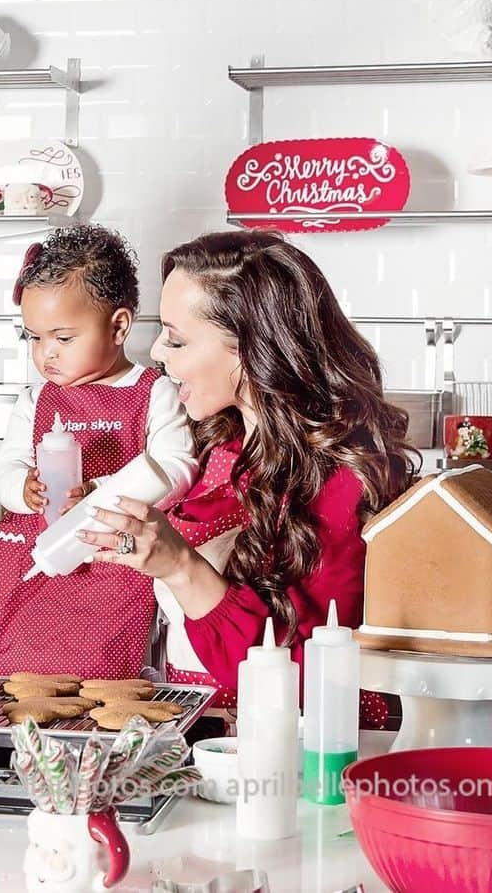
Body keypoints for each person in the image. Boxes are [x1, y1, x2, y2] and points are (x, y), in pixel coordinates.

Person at [77, 230, 417, 715]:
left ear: (251, 346)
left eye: (176, 338)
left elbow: (306, 679)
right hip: (200, 726)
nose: (155, 351)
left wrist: (180, 566)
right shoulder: (218, 446)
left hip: (295, 748)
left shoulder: (342, 481)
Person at [0, 225, 197, 678]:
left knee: (102, 688)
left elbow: (178, 467)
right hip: (27, 561)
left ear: (118, 326)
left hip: (109, 569)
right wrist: (23, 490)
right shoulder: (35, 399)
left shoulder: (153, 392)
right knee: (23, 686)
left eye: (62, 338)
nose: (46, 355)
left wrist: (99, 491)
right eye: (34, 338)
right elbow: (4, 468)